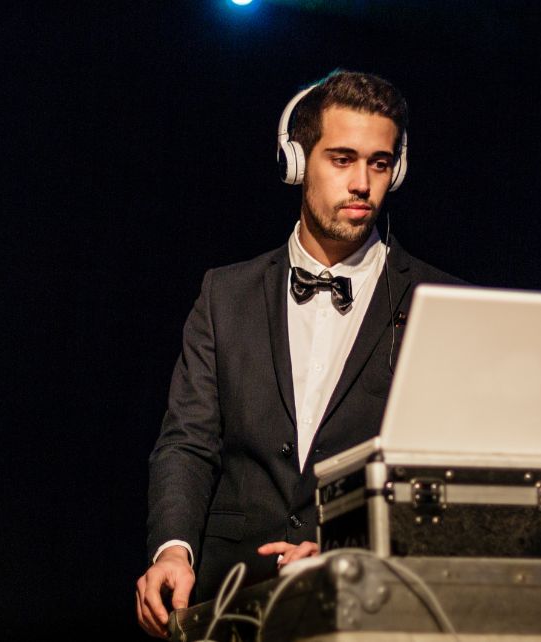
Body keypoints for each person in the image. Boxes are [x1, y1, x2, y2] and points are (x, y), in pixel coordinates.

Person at [135, 69, 464, 638]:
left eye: (380, 163)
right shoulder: (224, 293)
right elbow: (187, 441)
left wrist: (350, 551)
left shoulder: (440, 302)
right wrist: (172, 550)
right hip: (227, 599)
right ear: (295, 162)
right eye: (341, 159)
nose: (363, 182)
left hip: (372, 613)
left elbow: (447, 475)